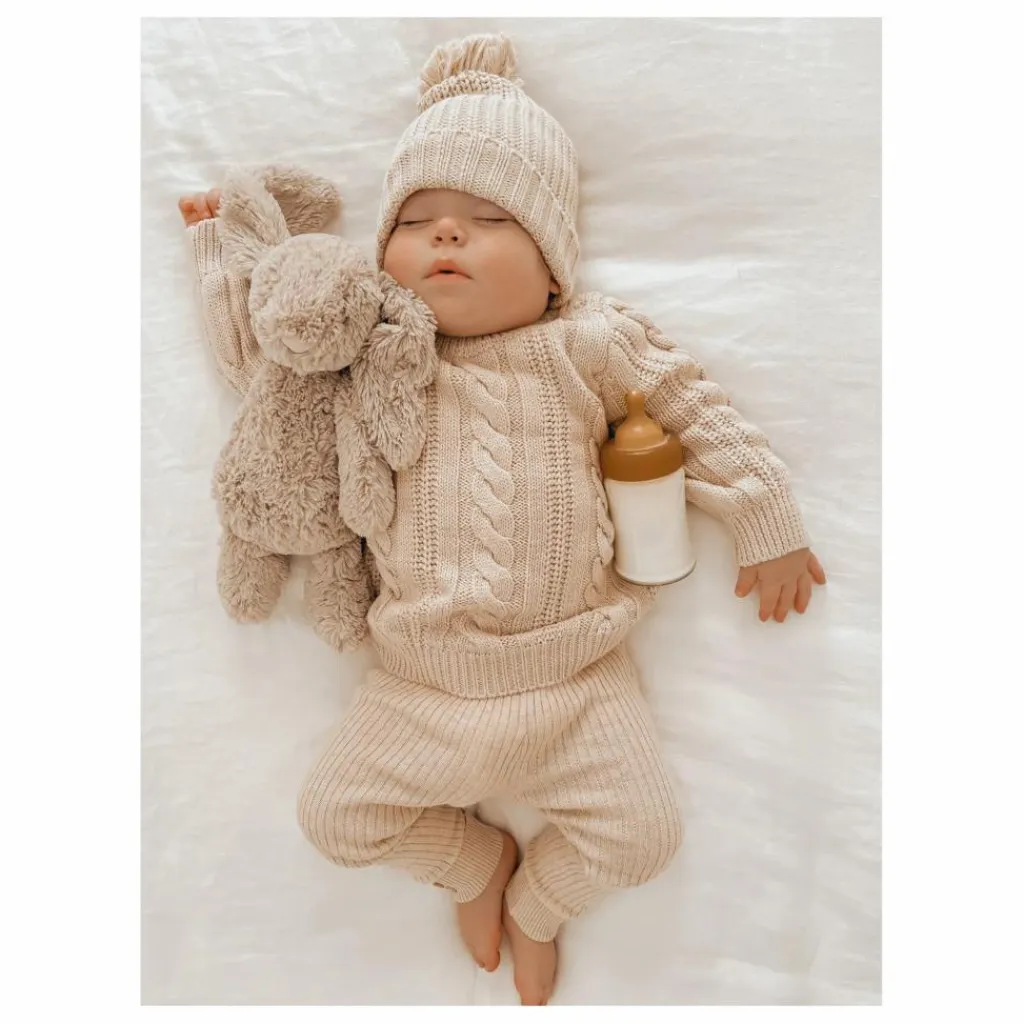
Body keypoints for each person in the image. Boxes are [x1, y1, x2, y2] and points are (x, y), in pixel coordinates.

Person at [179, 33, 826, 1005]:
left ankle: (538, 903)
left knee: (643, 840)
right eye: (417, 220)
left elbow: (691, 407)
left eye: (488, 218)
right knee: (333, 819)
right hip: (420, 687)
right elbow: (266, 365)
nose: (447, 235)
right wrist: (219, 252)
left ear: (554, 269)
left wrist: (763, 513)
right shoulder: (369, 353)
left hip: (578, 682)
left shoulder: (585, 341)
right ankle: (473, 861)